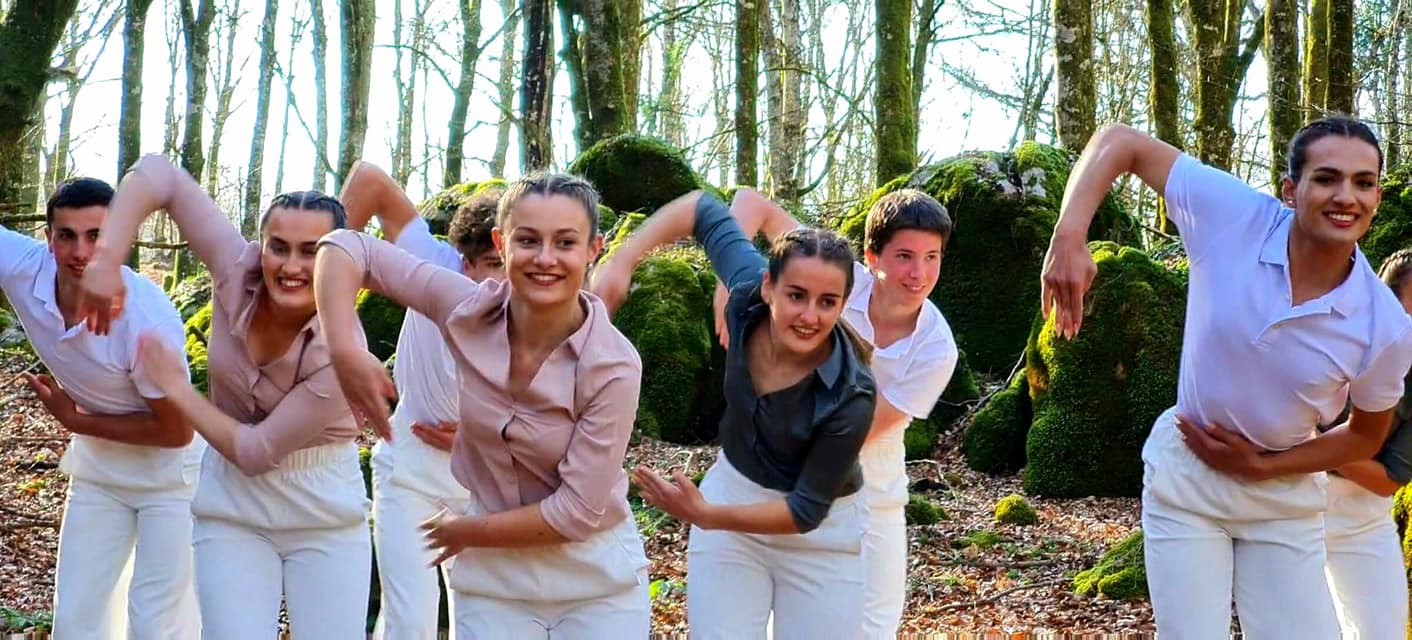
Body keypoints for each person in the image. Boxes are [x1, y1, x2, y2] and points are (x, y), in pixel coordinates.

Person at [1040, 116, 1412, 639]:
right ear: (1290, 189)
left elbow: (1365, 437)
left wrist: (1263, 465)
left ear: (1376, 197)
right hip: (1186, 484)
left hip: (1284, 500)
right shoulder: (1235, 216)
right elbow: (1120, 141)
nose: (1345, 196)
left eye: (1363, 182)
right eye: (1326, 178)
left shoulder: (1385, 326)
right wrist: (1068, 235)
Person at [313, 172, 651, 638]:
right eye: (527, 240)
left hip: (597, 586)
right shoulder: (467, 308)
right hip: (494, 591)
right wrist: (342, 347)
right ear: (501, 243)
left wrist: (464, 531)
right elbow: (345, 246)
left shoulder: (612, 363)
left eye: (565, 242)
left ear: (594, 249)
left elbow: (574, 512)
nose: (545, 258)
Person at [77, 155, 372, 639]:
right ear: (261, 247)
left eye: (311, 251)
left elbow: (256, 451)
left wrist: (176, 388)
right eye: (278, 247)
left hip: (326, 512)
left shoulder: (343, 350)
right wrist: (107, 258)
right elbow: (159, 174)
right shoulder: (237, 269)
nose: (291, 266)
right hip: (230, 509)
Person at [591, 190, 877, 639]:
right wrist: (623, 260)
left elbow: (805, 510)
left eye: (827, 302)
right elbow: (701, 208)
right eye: (796, 295)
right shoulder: (745, 299)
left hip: (822, 538)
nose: (809, 315)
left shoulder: (851, 392)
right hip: (733, 497)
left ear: (842, 305)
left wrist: (707, 515)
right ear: (768, 287)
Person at [720, 187, 958, 637]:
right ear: (871, 257)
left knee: (870, 630)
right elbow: (752, 205)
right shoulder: (835, 279)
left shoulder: (935, 348)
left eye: (932, 257)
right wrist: (727, 288)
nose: (919, 273)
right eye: (904, 256)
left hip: (873, 500)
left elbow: (859, 431)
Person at [2, 177, 201, 639]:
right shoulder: (25, 268)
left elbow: (177, 433)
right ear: (48, 238)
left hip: (171, 479)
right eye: (67, 236)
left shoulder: (147, 321)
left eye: (97, 236)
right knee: (77, 618)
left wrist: (76, 420)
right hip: (98, 471)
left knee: (154, 623)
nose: (80, 252)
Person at [338, 161, 504, 639]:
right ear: (463, 261)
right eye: (490, 267)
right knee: (409, 621)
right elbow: (369, 180)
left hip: (485, 486)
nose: (499, 285)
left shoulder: (538, 310)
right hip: (408, 475)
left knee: (482, 623)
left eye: (507, 266)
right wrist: (320, 296)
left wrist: (484, 437)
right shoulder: (434, 267)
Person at [1321, 247, 1412, 639]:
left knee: (1382, 630)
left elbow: (1388, 479)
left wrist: (1313, 448)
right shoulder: (1333, 338)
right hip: (1287, 506)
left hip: (1364, 519)